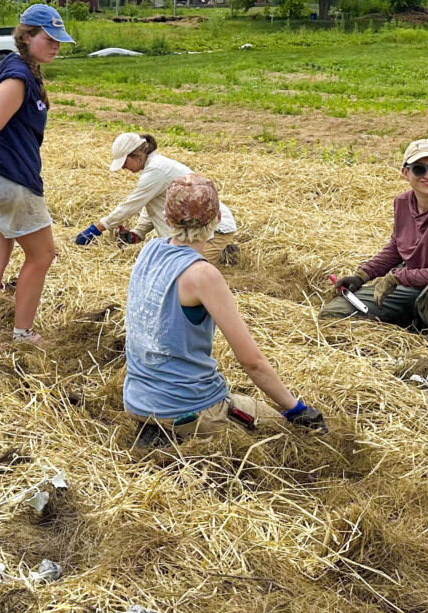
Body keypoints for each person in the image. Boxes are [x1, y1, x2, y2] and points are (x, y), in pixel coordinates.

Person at [124, 173, 326, 443]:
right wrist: (296, 409)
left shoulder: (149, 251)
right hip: (188, 407)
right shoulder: (202, 275)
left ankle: (160, 431)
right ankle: (180, 430)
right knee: (282, 433)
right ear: (218, 218)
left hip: (137, 400)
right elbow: (252, 363)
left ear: (168, 219)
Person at [0, 4, 74, 350]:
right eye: (49, 38)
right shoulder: (17, 77)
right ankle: (23, 334)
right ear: (26, 37)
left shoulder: (22, 69)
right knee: (42, 255)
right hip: (6, 179)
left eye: (59, 40)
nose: (56, 45)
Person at [320, 138, 428, 338]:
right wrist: (362, 275)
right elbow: (396, 248)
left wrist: (397, 277)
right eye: (419, 169)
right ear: (405, 172)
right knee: (335, 313)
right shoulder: (403, 202)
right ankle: (414, 323)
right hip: (413, 290)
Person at [74, 132, 240, 266]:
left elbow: (131, 205)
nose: (124, 167)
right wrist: (138, 233)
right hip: (194, 229)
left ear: (137, 155)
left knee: (185, 270)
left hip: (211, 229)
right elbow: (153, 204)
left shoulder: (157, 170)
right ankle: (223, 253)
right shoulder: (154, 168)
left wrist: (97, 228)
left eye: (125, 162)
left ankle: (221, 251)